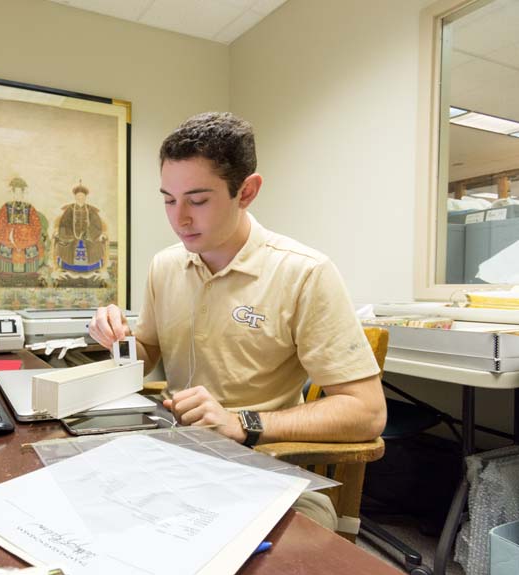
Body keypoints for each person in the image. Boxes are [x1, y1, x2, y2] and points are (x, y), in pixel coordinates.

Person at [88, 112, 386, 531]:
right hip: (170, 455)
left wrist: (242, 423)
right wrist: (117, 339)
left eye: (198, 200)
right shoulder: (165, 265)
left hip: (261, 465)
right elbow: (148, 352)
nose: (179, 219)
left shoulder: (304, 273)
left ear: (246, 192)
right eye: (169, 200)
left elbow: (367, 412)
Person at [0, 177, 47, 278]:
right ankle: (4, 269)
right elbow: (0, 223)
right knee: (3, 242)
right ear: (13, 193)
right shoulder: (6, 206)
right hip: (9, 233)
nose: (18, 195)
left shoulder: (29, 207)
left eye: (20, 192)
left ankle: (32, 269)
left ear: (23, 193)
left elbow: (36, 224)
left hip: (27, 234)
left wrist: (27, 231)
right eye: (16, 192)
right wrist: (9, 230)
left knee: (33, 243)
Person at [53, 181, 108, 281]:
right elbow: (64, 223)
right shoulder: (69, 209)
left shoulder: (90, 210)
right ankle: (68, 268)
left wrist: (89, 234)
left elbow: (96, 224)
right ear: (75, 197)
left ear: (85, 197)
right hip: (71, 236)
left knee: (95, 245)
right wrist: (66, 234)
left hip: (89, 237)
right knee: (65, 246)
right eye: (78, 196)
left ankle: (93, 268)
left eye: (82, 196)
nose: (80, 198)